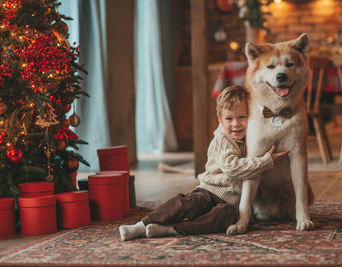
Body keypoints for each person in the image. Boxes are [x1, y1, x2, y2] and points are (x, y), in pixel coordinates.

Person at [119, 85, 289, 241]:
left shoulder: (252, 139)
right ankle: (140, 226)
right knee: (187, 203)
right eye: (229, 118)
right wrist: (266, 161)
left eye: (242, 117)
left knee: (225, 215)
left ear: (250, 116)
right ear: (220, 119)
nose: (236, 124)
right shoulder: (223, 139)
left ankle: (172, 229)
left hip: (230, 203)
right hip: (209, 191)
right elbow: (232, 168)